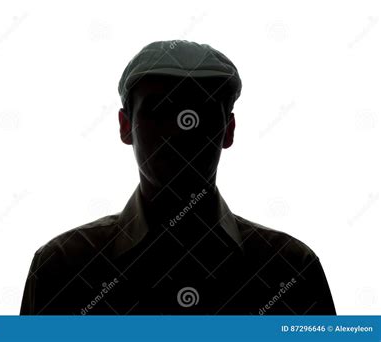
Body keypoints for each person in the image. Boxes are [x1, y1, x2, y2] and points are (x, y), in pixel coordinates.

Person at [20, 40, 336, 315]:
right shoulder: (61, 268)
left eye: (201, 110)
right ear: (125, 126)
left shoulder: (292, 270)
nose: (181, 128)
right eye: (158, 110)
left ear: (228, 130)